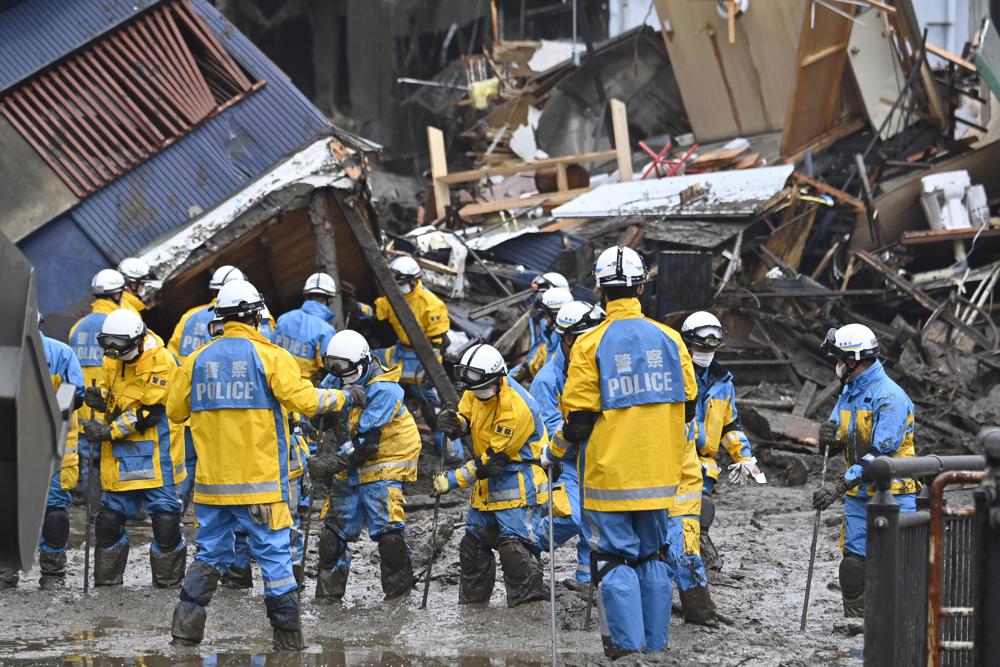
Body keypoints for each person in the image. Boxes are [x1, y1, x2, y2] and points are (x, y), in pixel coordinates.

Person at [167, 280, 364, 650]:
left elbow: (175, 411)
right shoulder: (271, 357)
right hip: (260, 487)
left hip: (212, 489)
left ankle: (184, 635)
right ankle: (288, 645)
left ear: (220, 319)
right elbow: (306, 401)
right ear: (257, 316)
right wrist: (345, 397)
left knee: (209, 554)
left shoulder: (196, 361)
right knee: (275, 558)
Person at [542, 246, 697, 657]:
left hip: (610, 480)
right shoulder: (671, 340)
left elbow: (578, 422)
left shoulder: (590, 344)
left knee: (613, 561)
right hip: (661, 476)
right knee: (653, 555)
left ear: (599, 290)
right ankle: (655, 650)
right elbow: (689, 408)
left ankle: (628, 654)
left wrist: (552, 452)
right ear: (642, 286)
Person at [811, 324, 917, 618]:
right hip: (858, 494)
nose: (837, 365)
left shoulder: (890, 397)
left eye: (840, 359)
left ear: (853, 360)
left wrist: (838, 485)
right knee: (854, 564)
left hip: (894, 494)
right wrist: (829, 436)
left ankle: (900, 624)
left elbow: (879, 453)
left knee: (898, 561)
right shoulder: (849, 391)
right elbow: (839, 433)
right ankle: (857, 623)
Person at [433, 343, 549, 607]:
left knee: (514, 551)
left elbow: (488, 462)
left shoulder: (515, 409)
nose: (478, 394)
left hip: (518, 483)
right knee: (472, 548)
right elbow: (468, 415)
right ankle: (473, 610)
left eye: (483, 390)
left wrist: (450, 481)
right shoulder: (476, 389)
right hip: (487, 488)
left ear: (498, 380)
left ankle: (527, 612)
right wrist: (456, 424)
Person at [79, 309, 188, 588]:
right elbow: (118, 398)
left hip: (155, 457)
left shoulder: (162, 362)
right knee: (107, 522)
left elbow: (146, 413)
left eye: (119, 346)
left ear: (137, 340)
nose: (112, 352)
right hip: (119, 459)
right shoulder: (112, 360)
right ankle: (108, 582)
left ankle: (168, 582)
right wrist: (100, 399)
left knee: (165, 524)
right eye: (108, 345)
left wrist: (107, 431)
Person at [311, 330, 421, 603]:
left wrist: (330, 464)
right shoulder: (337, 377)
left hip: (385, 459)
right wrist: (315, 419)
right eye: (334, 369)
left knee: (389, 538)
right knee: (331, 536)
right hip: (353, 459)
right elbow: (319, 406)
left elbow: (366, 443)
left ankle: (399, 598)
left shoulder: (385, 390)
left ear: (362, 362)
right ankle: (328, 598)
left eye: (345, 372)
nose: (339, 376)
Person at [0, 319, 86, 589]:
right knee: (54, 510)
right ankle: (52, 575)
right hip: (53, 447)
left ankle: (7, 571)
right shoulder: (61, 352)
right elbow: (76, 396)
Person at [526, 300, 605, 589]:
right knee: (570, 516)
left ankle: (586, 578)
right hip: (563, 461)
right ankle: (529, 540)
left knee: (595, 522)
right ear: (569, 340)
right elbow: (549, 432)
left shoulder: (598, 368)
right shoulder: (548, 380)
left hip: (598, 459)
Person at [354, 256, 462, 462]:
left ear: (414, 280)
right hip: (401, 351)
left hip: (423, 357)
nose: (400, 287)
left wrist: (433, 373)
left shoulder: (431, 304)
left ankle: (451, 451)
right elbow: (376, 312)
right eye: (397, 283)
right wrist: (356, 307)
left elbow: (442, 342)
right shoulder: (393, 296)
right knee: (369, 361)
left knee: (431, 407)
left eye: (403, 283)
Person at [680, 311, 765, 573]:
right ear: (687, 343)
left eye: (712, 346)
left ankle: (694, 561)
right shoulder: (676, 375)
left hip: (704, 463)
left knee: (700, 511)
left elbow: (730, 425)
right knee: (688, 512)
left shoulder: (722, 382)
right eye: (699, 345)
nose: (705, 351)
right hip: (675, 457)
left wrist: (745, 458)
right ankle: (693, 562)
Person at [68, 269, 126, 504]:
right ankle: (112, 506)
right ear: (116, 295)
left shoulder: (77, 327)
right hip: (110, 406)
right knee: (112, 458)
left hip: (83, 408)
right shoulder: (119, 323)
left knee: (88, 456)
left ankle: (93, 508)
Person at [167, 266, 246, 362]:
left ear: (214, 291)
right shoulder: (243, 318)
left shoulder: (190, 316)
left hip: (186, 375)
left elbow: (172, 356)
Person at [271, 272, 338, 381]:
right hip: (304, 391)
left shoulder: (284, 318)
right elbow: (328, 370)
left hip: (275, 385)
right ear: (330, 298)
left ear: (306, 295)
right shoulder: (326, 331)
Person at [525, 287, 574, 379]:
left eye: (546, 314)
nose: (544, 318)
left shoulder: (567, 347)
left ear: (556, 315)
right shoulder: (550, 339)